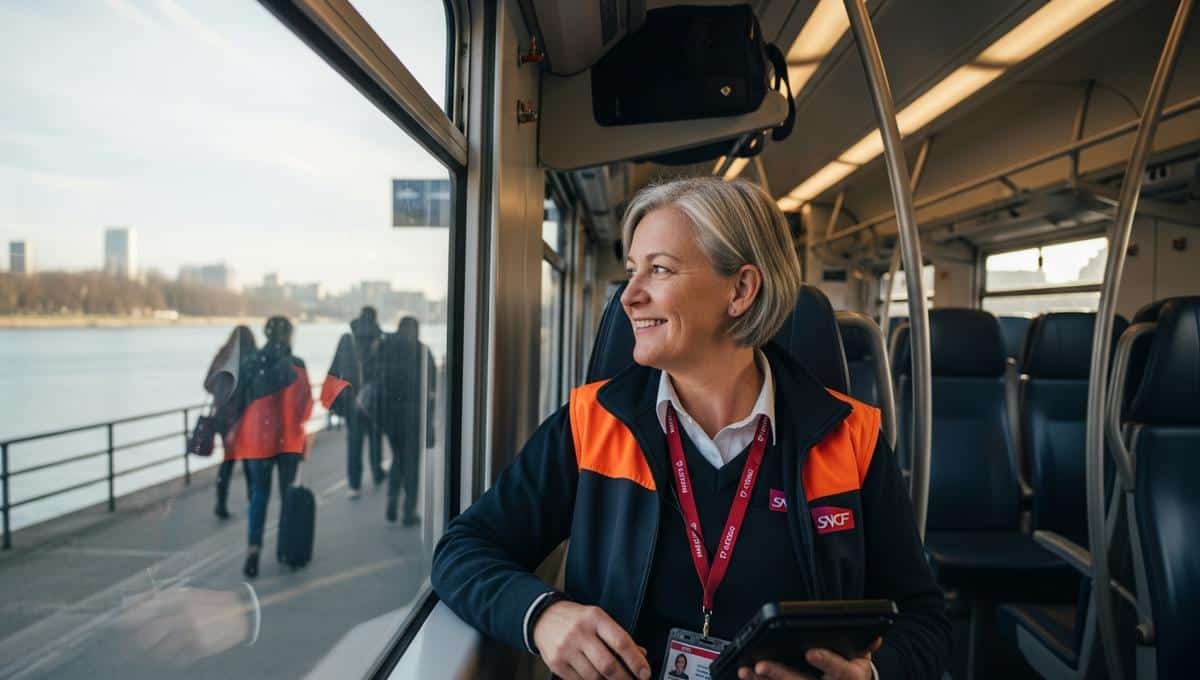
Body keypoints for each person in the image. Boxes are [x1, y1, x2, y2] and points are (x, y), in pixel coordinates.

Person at [432, 178, 950, 680]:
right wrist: (542, 614)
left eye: (658, 269)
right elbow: (463, 549)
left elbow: (923, 618)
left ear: (741, 288)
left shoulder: (850, 437)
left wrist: (870, 674)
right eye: (631, 270)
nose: (628, 297)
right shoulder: (592, 424)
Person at [225, 316, 313, 578]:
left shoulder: (250, 363)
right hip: (289, 440)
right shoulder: (296, 365)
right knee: (288, 496)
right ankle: (286, 552)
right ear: (288, 336)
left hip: (256, 441)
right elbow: (306, 408)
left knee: (259, 494)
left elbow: (237, 402)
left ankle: (253, 549)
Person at [323, 306, 386, 498]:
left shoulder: (346, 340)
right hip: (374, 401)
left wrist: (331, 401)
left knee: (354, 443)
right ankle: (376, 472)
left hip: (351, 400)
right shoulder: (381, 340)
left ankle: (354, 485)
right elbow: (385, 373)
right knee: (375, 439)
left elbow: (333, 371)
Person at [380, 316, 436, 525]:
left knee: (398, 459)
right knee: (411, 464)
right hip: (414, 417)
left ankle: (392, 498)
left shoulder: (387, 350)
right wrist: (429, 423)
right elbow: (431, 389)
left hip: (391, 418)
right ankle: (408, 510)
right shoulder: (422, 351)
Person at [202, 325, 256, 519]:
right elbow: (254, 391)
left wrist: (220, 393)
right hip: (244, 417)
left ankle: (221, 503)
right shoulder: (251, 359)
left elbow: (207, 384)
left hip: (222, 417)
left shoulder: (222, 357)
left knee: (228, 461)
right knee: (250, 463)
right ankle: (253, 502)